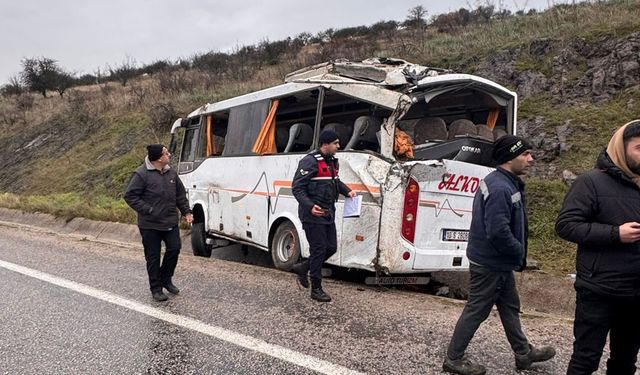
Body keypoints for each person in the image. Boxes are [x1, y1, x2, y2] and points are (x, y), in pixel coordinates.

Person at [443, 135, 555, 375]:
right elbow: (498, 231)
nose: (531, 159)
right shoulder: (500, 187)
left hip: (498, 262)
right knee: (477, 309)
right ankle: (453, 359)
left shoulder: (502, 182)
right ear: (509, 157)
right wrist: (519, 251)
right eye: (525, 154)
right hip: (491, 263)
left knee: (509, 306)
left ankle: (523, 353)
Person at [556, 120, 640, 375]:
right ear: (620, 149)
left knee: (625, 362)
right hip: (598, 289)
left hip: (636, 294)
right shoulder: (591, 182)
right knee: (586, 360)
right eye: (639, 148)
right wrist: (616, 234)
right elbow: (566, 225)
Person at [291, 129, 356, 302]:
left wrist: (347, 191)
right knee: (319, 249)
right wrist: (310, 206)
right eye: (335, 143)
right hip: (312, 214)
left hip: (328, 213)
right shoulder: (309, 162)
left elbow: (335, 181)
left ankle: (304, 267)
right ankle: (316, 289)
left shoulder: (333, 162)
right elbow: (297, 188)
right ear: (325, 144)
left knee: (331, 248)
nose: (338, 146)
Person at [124, 144, 193, 302]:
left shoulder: (171, 173)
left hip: (170, 221)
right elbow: (130, 196)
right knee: (153, 257)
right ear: (158, 158)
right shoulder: (141, 174)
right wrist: (148, 210)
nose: (169, 154)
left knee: (174, 249)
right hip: (150, 225)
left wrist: (186, 212)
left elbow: (180, 195)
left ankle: (166, 280)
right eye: (166, 153)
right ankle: (156, 288)